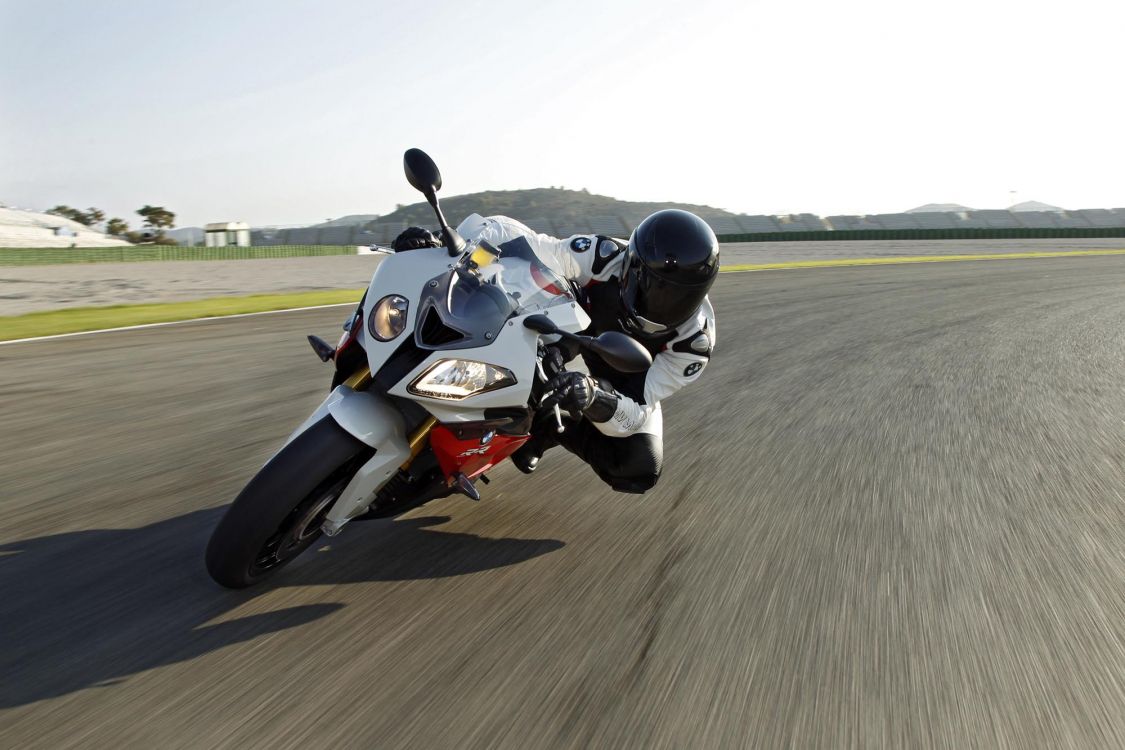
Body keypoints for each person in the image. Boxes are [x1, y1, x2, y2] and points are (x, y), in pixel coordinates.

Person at [392, 210, 718, 494]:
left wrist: (593, 396)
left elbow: (634, 414)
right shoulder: (602, 255)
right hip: (570, 331)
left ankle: (542, 429)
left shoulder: (693, 346)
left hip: (631, 377)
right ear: (630, 266)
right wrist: (445, 248)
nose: (662, 304)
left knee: (639, 466)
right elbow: (521, 242)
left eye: (679, 296)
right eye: (654, 285)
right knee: (516, 344)